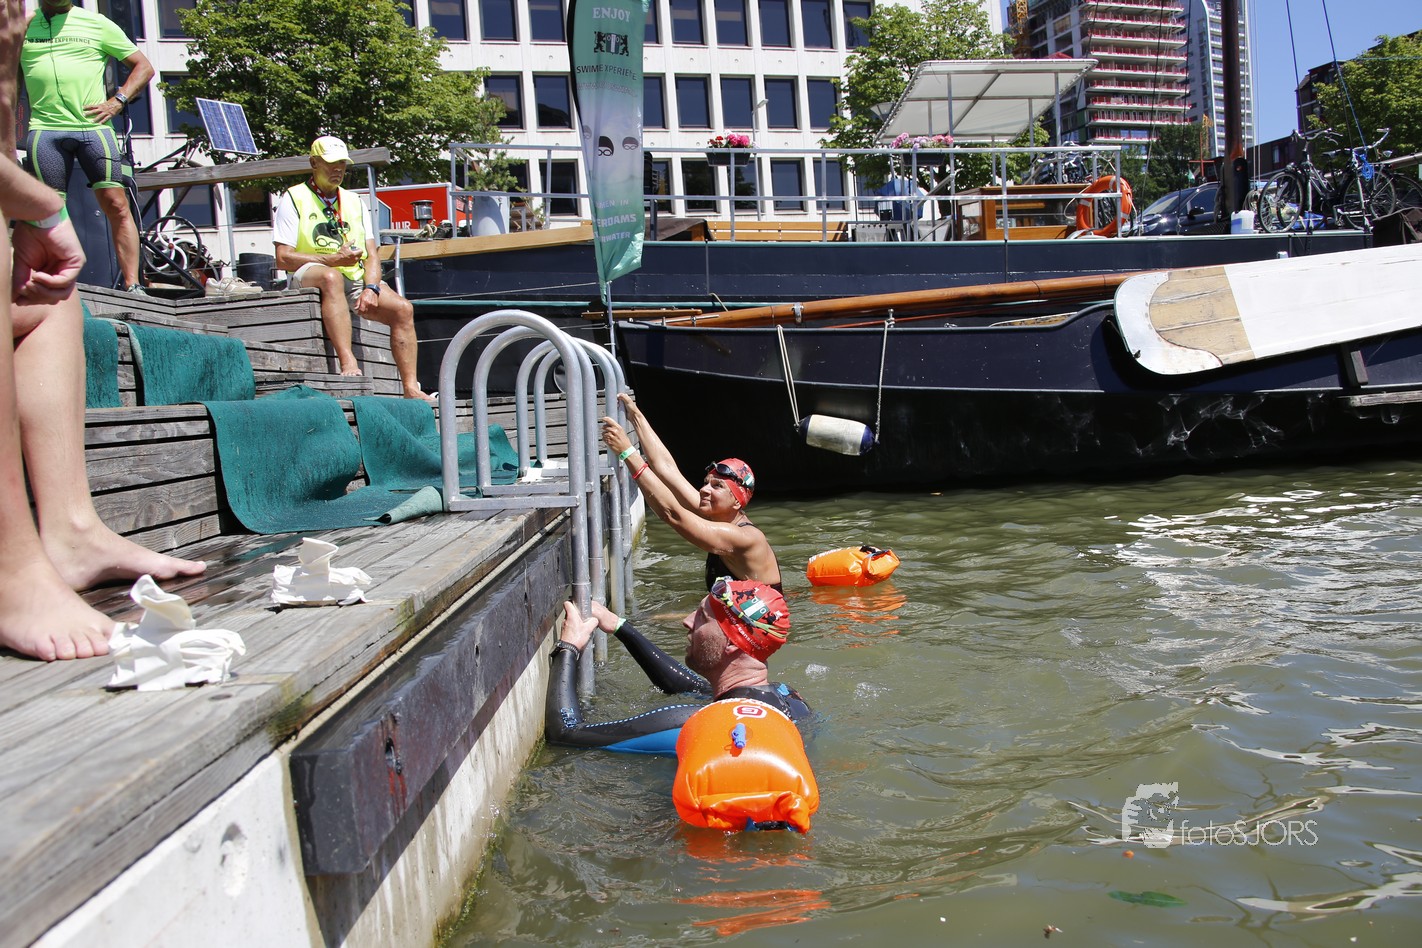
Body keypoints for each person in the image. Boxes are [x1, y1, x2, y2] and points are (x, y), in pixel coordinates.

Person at [1, 0, 203, 661]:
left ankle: (71, 530)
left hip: (78, 136)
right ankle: (10, 567)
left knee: (48, 297)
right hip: (43, 161)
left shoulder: (60, 27)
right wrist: (41, 207)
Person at [546, 578, 808, 752]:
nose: (687, 621)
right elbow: (690, 686)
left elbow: (565, 734)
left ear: (731, 643)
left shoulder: (690, 724)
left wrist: (568, 647)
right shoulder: (790, 699)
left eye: (702, 617)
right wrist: (619, 626)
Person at [273, 136, 434, 402]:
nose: (337, 169)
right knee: (331, 277)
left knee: (403, 309)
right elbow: (282, 258)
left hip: (353, 275)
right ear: (314, 163)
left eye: (342, 164)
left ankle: (411, 388)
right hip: (311, 272)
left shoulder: (355, 201)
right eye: (330, 163)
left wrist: (371, 288)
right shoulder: (294, 197)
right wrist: (333, 260)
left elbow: (372, 254)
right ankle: (347, 361)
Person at [19, 0, 153, 293]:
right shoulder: (24, 26)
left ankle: (133, 285)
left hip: (93, 129)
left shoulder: (97, 23)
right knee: (47, 211)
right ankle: (54, 284)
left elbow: (143, 67)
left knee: (116, 204)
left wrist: (117, 102)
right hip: (45, 130)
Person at [601, 392, 782, 592]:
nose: (704, 490)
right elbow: (666, 468)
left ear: (737, 502)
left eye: (717, 486)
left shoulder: (745, 538)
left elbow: (672, 514)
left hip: (762, 613)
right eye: (706, 483)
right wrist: (636, 416)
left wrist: (627, 452)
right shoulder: (714, 514)